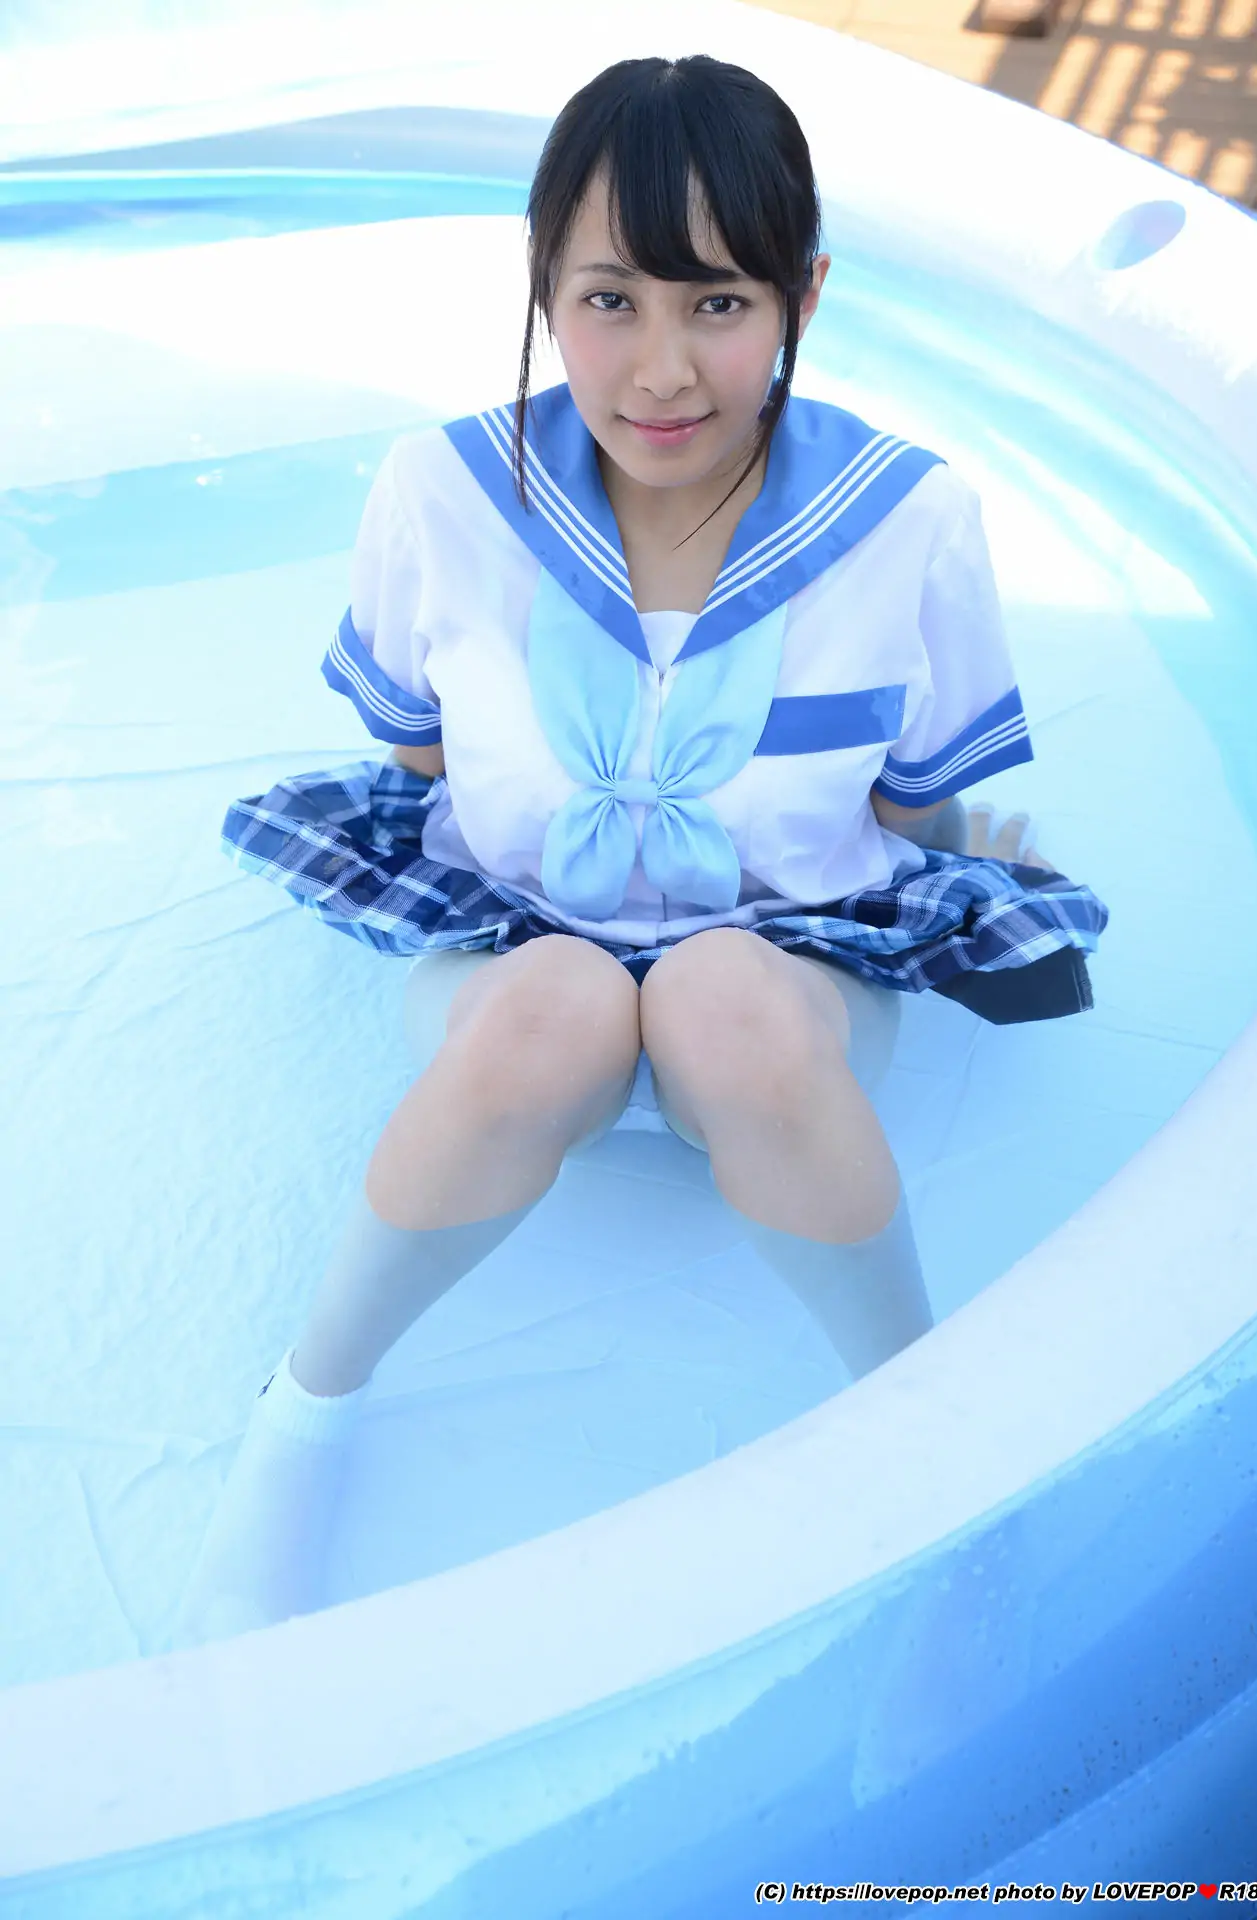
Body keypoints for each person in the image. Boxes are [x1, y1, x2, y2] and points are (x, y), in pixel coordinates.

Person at [171, 54, 1108, 1648]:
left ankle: (924, 1433)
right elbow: (415, 760)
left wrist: (976, 869)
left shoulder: (908, 519)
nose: (663, 371)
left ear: (804, 294)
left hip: (789, 996)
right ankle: (305, 1412)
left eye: (719, 303)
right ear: (542, 285)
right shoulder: (441, 493)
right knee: (559, 1001)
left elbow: (907, 815)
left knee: (722, 992)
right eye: (611, 300)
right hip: (514, 971)